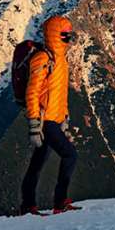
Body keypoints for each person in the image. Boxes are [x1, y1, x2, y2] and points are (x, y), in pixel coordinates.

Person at [20, 15, 82, 216]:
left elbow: (59, 92)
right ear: (55, 35)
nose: (68, 39)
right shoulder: (43, 59)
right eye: (65, 35)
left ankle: (28, 207)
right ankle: (60, 202)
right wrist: (34, 124)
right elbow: (32, 92)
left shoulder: (60, 60)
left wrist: (64, 117)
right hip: (44, 120)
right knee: (70, 155)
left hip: (54, 119)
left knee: (37, 164)